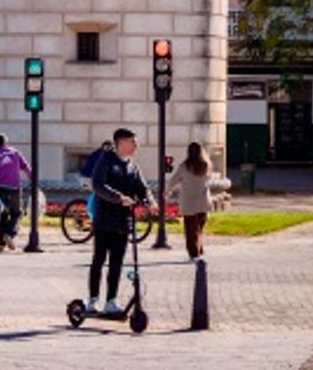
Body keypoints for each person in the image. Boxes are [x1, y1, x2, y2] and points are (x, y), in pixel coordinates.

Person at [86, 128, 155, 316]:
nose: (136, 146)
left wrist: (150, 202)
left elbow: (143, 188)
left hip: (124, 222)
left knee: (117, 262)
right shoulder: (106, 161)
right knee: (99, 260)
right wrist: (118, 197)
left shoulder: (133, 166)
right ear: (121, 143)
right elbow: (98, 185)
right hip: (104, 220)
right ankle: (93, 299)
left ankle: (111, 300)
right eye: (133, 142)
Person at [0, 133, 33, 251]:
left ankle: (2, 243)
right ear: (6, 141)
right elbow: (26, 167)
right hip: (15, 188)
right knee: (17, 214)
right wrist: (33, 178)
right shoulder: (15, 152)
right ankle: (10, 234)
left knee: (2, 215)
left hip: (1, 188)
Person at [167, 142, 213, 261]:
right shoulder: (206, 165)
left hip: (189, 202)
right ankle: (199, 248)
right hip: (203, 200)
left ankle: (194, 253)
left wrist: (167, 191)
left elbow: (173, 180)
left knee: (190, 229)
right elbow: (208, 179)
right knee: (199, 227)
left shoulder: (184, 167)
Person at [80, 140, 113, 221]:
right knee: (98, 192)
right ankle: (91, 213)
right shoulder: (103, 155)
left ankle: (94, 214)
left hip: (86, 178)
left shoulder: (99, 153)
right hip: (88, 178)